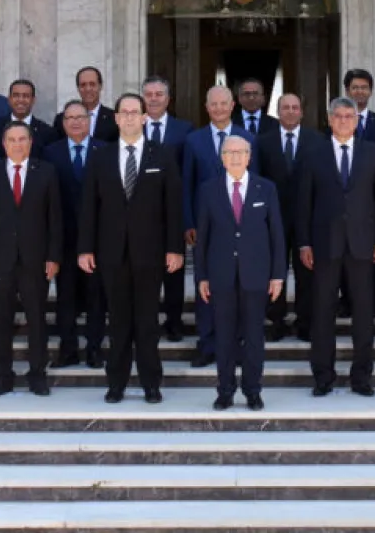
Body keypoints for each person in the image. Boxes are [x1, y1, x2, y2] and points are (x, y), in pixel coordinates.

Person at [78, 93, 184, 404]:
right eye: (123, 112)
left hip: (151, 254)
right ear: (116, 117)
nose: (128, 117)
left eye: (134, 112)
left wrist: (175, 249)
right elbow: (89, 206)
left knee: (148, 321)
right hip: (111, 254)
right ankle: (117, 383)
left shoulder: (162, 155)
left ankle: (152, 382)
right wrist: (85, 248)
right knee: (119, 321)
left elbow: (173, 207)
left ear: (143, 118)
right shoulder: (101, 156)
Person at [298, 96, 375, 397]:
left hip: (363, 246)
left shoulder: (373, 153)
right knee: (323, 313)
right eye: (337, 116)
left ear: (356, 120)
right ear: (329, 120)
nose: (342, 121)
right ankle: (323, 376)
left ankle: (361, 376)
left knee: (364, 314)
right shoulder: (313, 153)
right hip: (325, 247)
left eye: (348, 116)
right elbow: (303, 205)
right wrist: (303, 243)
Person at [196, 136, 285, 411]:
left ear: (249, 156)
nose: (235, 157)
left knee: (254, 336)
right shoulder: (209, 190)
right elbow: (203, 238)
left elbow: (277, 235)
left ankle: (253, 390)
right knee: (223, 336)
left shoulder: (265, 189)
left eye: (241, 152)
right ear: (221, 158)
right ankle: (225, 390)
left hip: (256, 275)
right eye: (229, 152)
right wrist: (202, 276)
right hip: (221, 275)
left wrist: (278, 275)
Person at [0, 123, 63, 397]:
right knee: (2, 320)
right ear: (4, 144)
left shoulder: (46, 172)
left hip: (36, 260)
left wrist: (53, 256)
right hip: (0, 262)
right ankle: (3, 376)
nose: (17, 144)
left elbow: (55, 219)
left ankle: (37, 374)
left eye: (22, 139)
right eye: (12, 140)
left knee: (37, 320)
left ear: (30, 142)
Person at [181, 85, 257, 368]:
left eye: (224, 103)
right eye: (214, 104)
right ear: (206, 107)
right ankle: (208, 342)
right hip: (205, 225)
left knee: (238, 283)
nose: (219, 108)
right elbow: (186, 184)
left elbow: (255, 184)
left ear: (232, 105)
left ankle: (235, 343)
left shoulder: (249, 138)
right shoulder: (193, 140)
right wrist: (188, 221)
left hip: (239, 225)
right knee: (206, 283)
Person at [42, 101, 106, 368]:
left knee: (96, 298)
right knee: (65, 297)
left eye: (81, 117)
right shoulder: (50, 153)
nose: (76, 122)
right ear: (63, 122)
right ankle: (67, 350)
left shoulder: (104, 151)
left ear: (89, 120)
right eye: (70, 118)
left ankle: (94, 350)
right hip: (64, 239)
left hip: (98, 239)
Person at [258, 93, 318, 342]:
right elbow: (258, 181)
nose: (291, 112)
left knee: (308, 273)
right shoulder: (263, 142)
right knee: (275, 271)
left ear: (302, 112)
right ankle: (276, 321)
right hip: (274, 219)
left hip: (309, 220)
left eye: (295, 107)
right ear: (278, 112)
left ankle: (306, 323)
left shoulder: (317, 141)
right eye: (285, 108)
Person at [141, 75, 193, 341]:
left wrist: (186, 220)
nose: (153, 99)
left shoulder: (185, 130)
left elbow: (188, 176)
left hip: (172, 213)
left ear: (168, 99)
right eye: (148, 94)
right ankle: (147, 322)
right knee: (145, 271)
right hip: (140, 215)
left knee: (174, 270)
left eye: (159, 94)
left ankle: (174, 321)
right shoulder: (132, 127)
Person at [56, 66, 118, 143]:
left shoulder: (115, 119)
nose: (88, 89)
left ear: (100, 86)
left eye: (92, 84)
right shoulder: (62, 119)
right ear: (78, 88)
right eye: (83, 85)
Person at [342, 68, 375, 149]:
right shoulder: (337, 121)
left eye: (364, 87)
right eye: (355, 88)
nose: (360, 91)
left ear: (371, 91)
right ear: (347, 92)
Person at [6, 79, 56, 149]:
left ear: (33, 100)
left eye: (26, 96)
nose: (21, 100)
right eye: (16, 95)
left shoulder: (47, 132)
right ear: (9, 99)